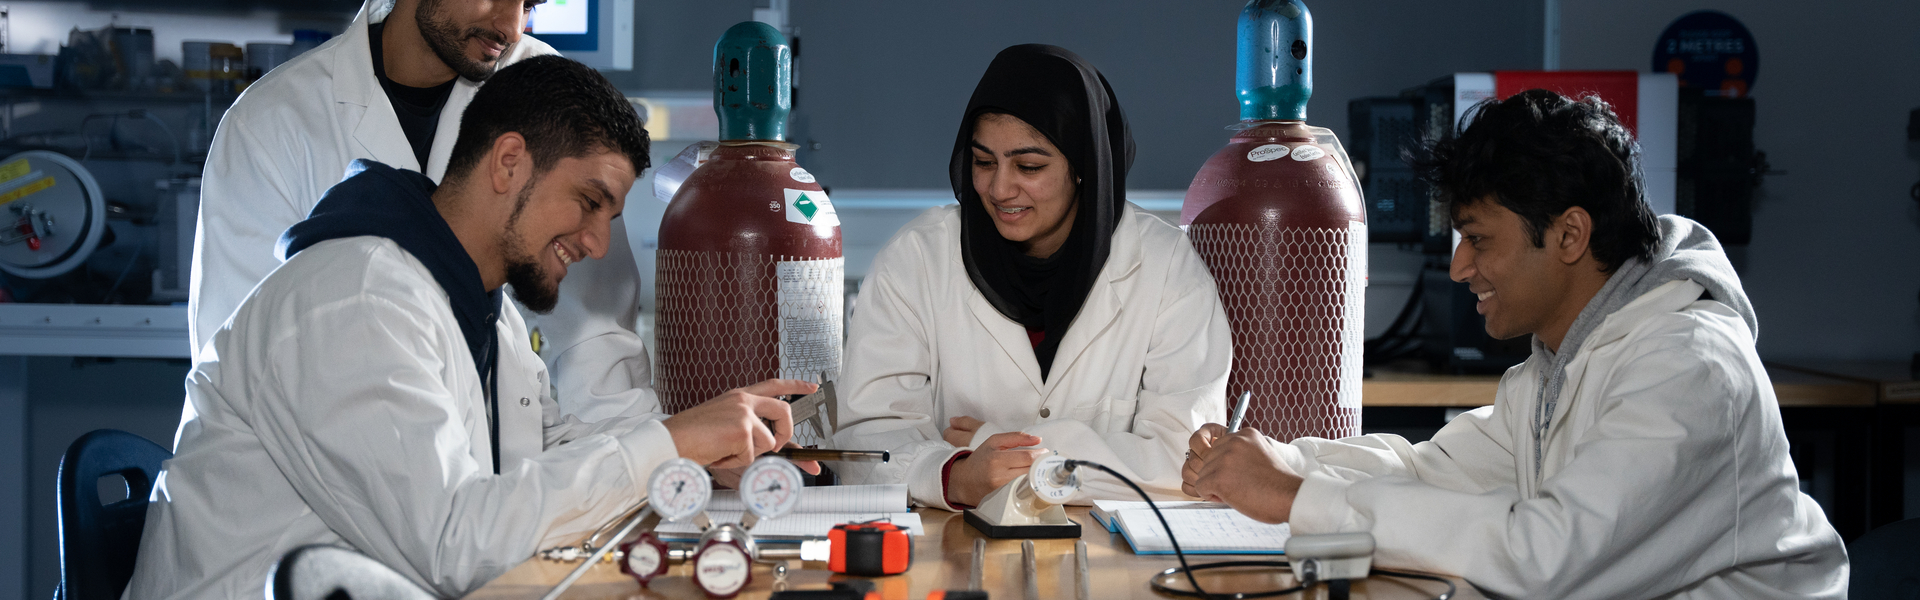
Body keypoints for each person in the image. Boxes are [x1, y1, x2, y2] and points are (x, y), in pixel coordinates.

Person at [125, 57, 816, 599]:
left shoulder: (481, 309)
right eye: (588, 201)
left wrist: (692, 463)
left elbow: (546, 450)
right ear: (509, 161)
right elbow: (454, 545)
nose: (599, 243)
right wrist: (670, 440)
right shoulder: (353, 301)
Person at [1182, 89, 1848, 598]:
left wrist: (1297, 495)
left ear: (1568, 235)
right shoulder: (1560, 361)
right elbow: (1428, 470)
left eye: (1479, 239)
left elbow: (1544, 560)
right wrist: (1278, 460)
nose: (1459, 268)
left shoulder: (1687, 370)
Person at [190, 0, 656, 423]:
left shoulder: (546, 91)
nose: (511, 26)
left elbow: (594, 344)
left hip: (486, 480)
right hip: (309, 486)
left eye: (529, 3)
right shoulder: (272, 121)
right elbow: (236, 357)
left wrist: (639, 471)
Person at [831, 45, 1231, 509]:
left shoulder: (1167, 268)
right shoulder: (918, 259)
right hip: (954, 547)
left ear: (1083, 166)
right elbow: (864, 441)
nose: (999, 189)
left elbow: (1181, 464)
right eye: (983, 162)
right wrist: (953, 477)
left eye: (1029, 166)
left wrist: (1004, 444)